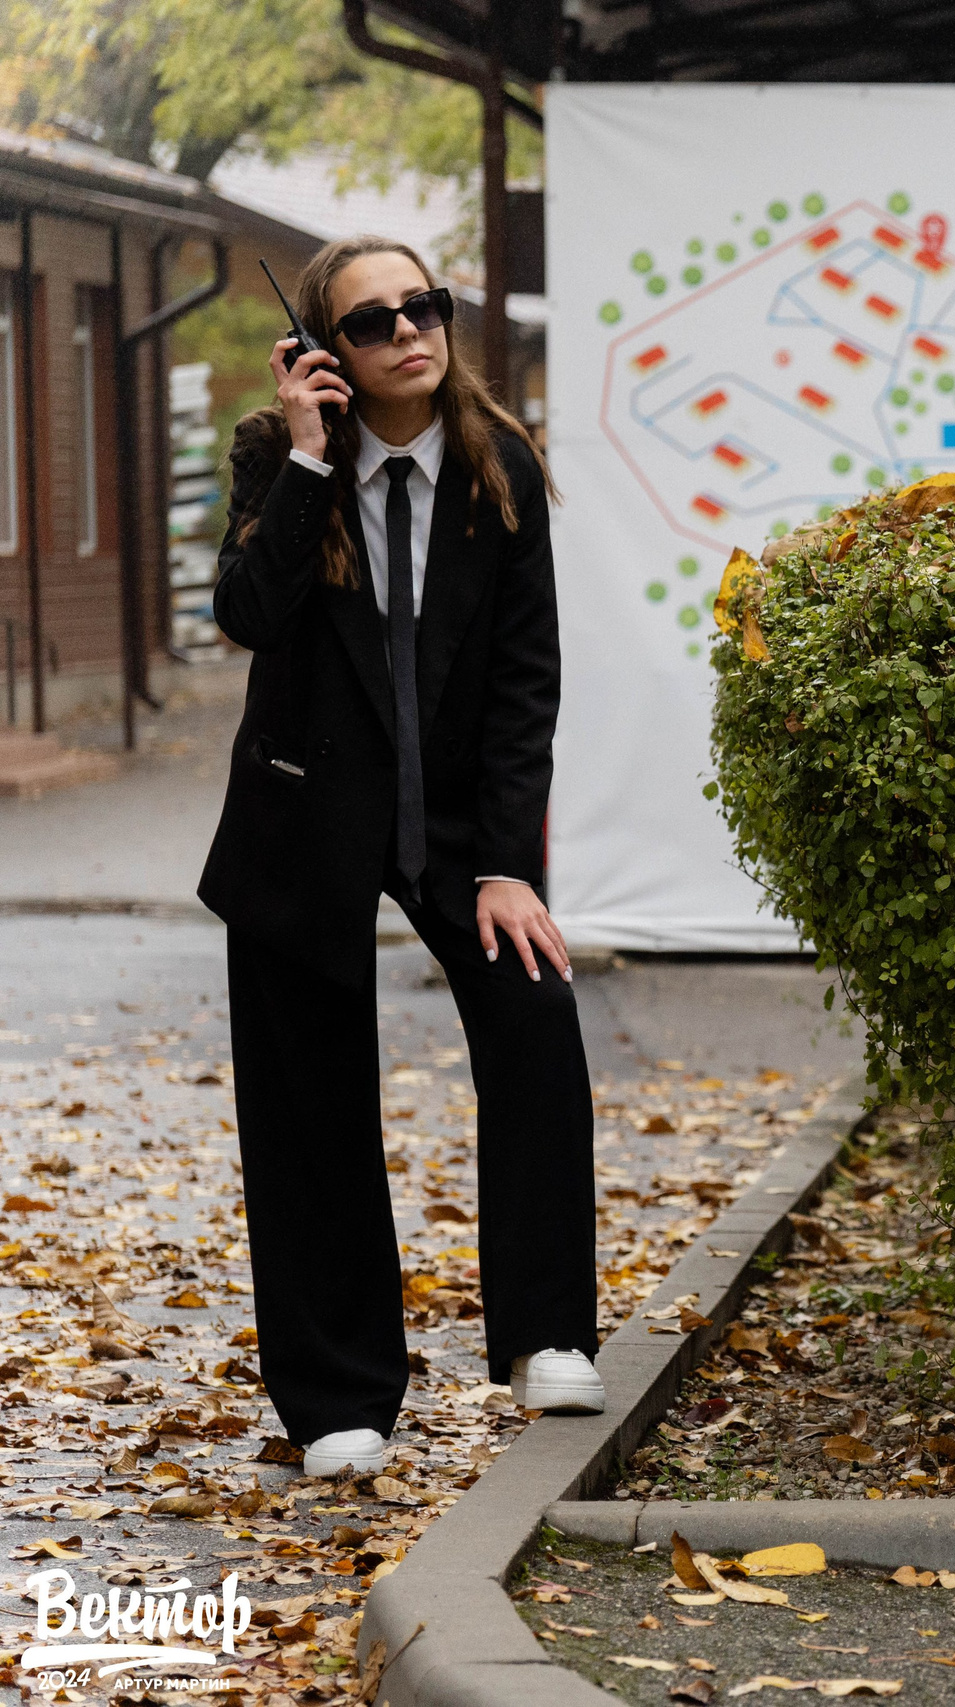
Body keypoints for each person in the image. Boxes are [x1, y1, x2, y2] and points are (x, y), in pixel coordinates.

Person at [201, 235, 605, 1478]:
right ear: (327, 354)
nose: (408, 331)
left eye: (423, 306)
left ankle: (544, 1332)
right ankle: (338, 1400)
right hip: (303, 816)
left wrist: (508, 863)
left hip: (454, 824)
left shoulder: (504, 467)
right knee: (307, 1102)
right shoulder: (282, 458)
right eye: (372, 322)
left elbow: (526, 682)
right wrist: (314, 460)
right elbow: (245, 617)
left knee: (534, 1018)